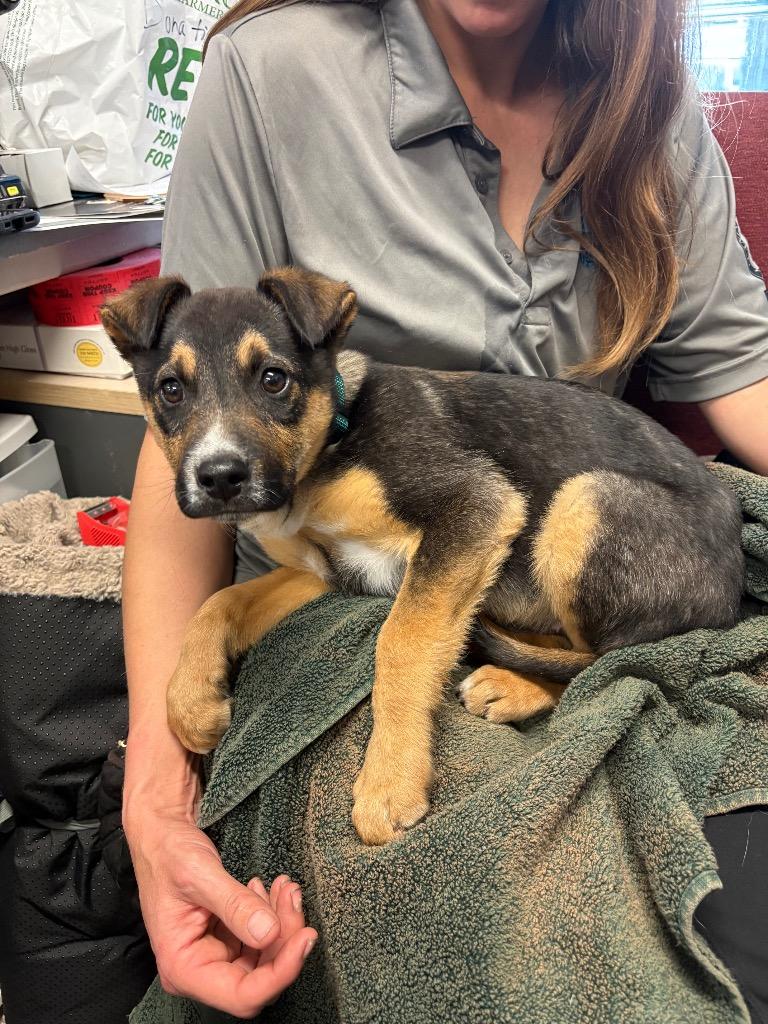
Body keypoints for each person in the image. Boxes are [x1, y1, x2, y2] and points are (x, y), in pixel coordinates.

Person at [122, 0, 768, 1017]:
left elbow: (746, 374)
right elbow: (187, 418)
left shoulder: (645, 104)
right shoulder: (269, 73)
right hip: (339, 641)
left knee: (738, 907)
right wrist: (155, 799)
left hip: (555, 575)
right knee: (483, 888)